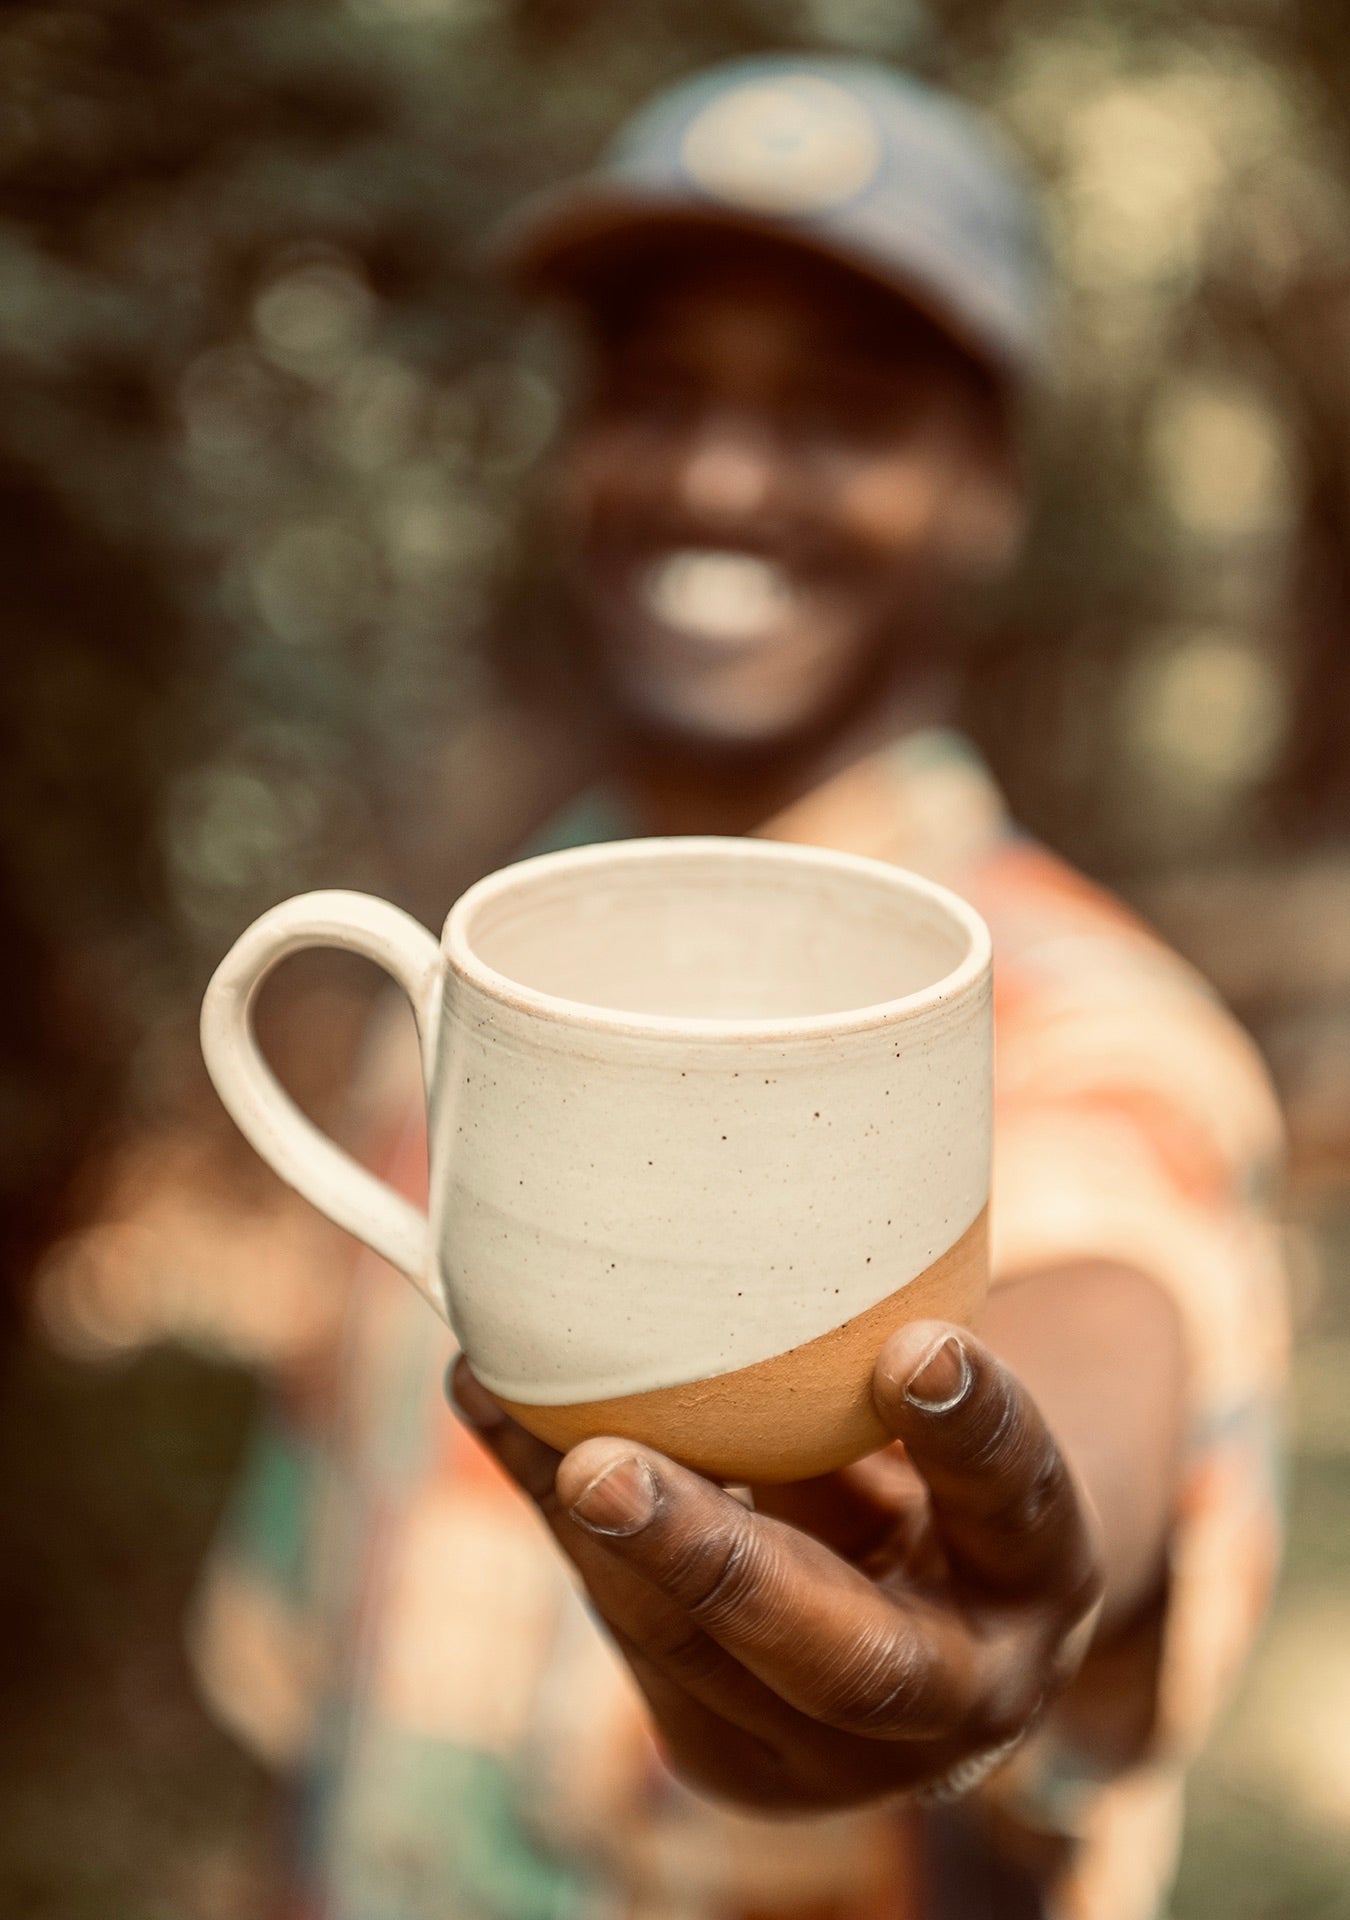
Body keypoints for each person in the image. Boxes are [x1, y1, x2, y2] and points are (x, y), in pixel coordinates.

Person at [193, 57, 1289, 1920]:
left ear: (984, 493)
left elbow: (1109, 1285)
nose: (715, 474)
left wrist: (1003, 1596)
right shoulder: (472, 976)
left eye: (843, 414)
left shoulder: (1087, 1020)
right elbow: (323, 1661)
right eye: (657, 390)